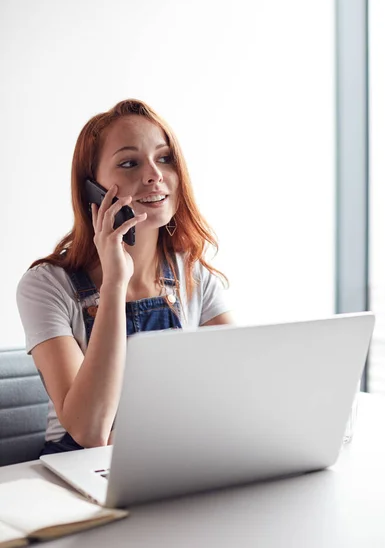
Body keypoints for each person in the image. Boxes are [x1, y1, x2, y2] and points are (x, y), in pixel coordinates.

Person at [16, 99, 232, 455]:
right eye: (130, 163)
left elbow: (243, 385)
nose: (154, 175)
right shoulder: (46, 286)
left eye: (164, 158)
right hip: (80, 467)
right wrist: (115, 285)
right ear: (92, 188)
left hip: (170, 456)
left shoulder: (191, 273)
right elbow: (90, 430)